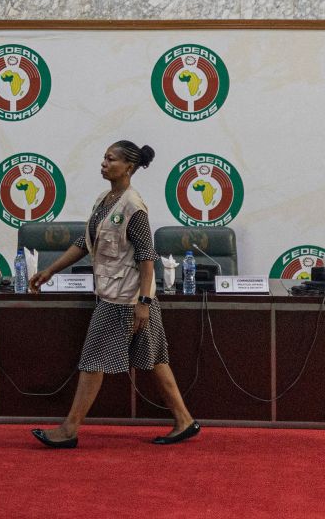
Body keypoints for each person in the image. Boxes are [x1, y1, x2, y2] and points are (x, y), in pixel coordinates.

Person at [28, 140, 200, 448]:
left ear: (129, 168)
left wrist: (144, 304)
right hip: (116, 295)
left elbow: (148, 256)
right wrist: (50, 270)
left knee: (93, 360)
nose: (104, 163)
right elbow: (84, 243)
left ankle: (69, 429)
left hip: (127, 300)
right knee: (155, 359)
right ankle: (184, 420)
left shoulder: (133, 206)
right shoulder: (104, 199)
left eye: (111, 159)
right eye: (104, 158)